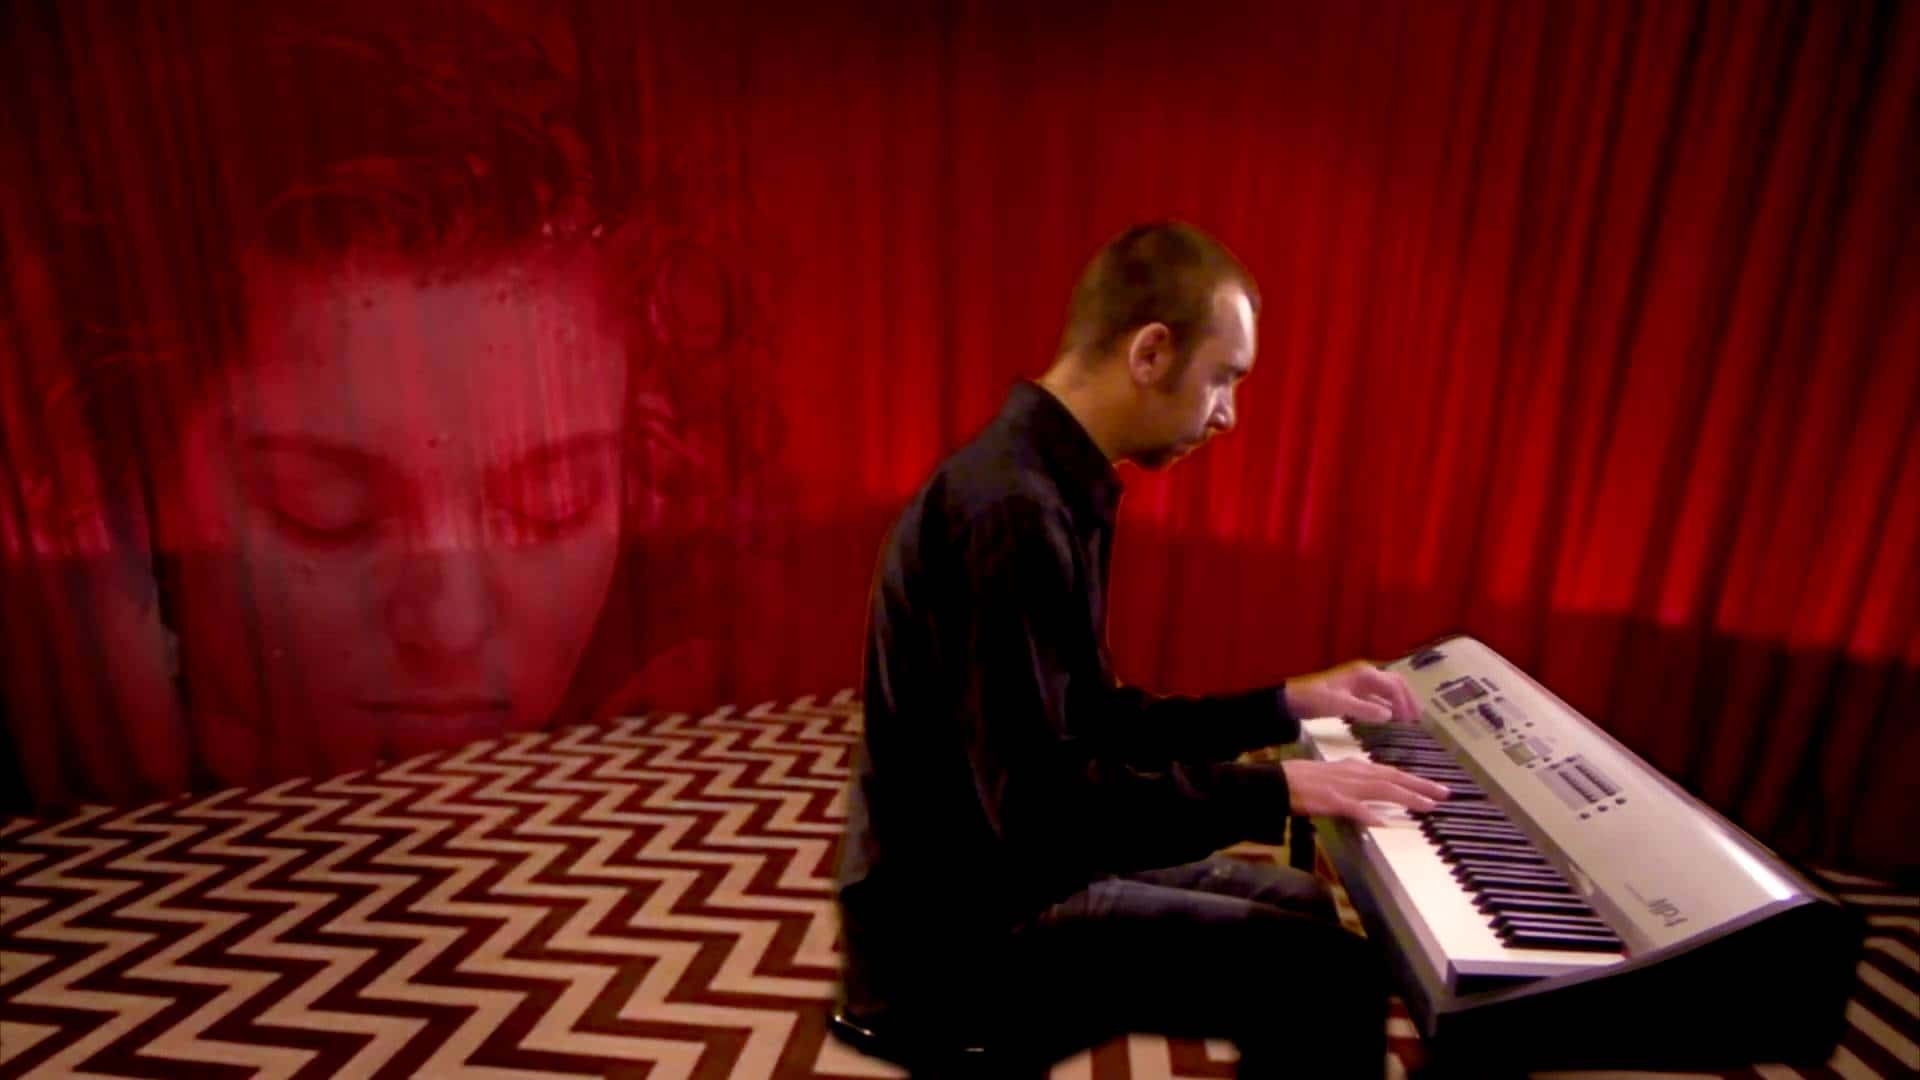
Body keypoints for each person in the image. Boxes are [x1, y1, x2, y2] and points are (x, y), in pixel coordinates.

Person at [834, 221, 1449, 1077]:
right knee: (1332, 976)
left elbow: (1096, 719)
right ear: (1151, 352)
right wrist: (1277, 789)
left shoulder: (1047, 479)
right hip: (949, 934)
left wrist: (1286, 705)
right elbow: (1041, 813)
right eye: (1224, 378)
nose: (1229, 415)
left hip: (993, 870)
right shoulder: (1010, 509)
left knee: (1302, 901)